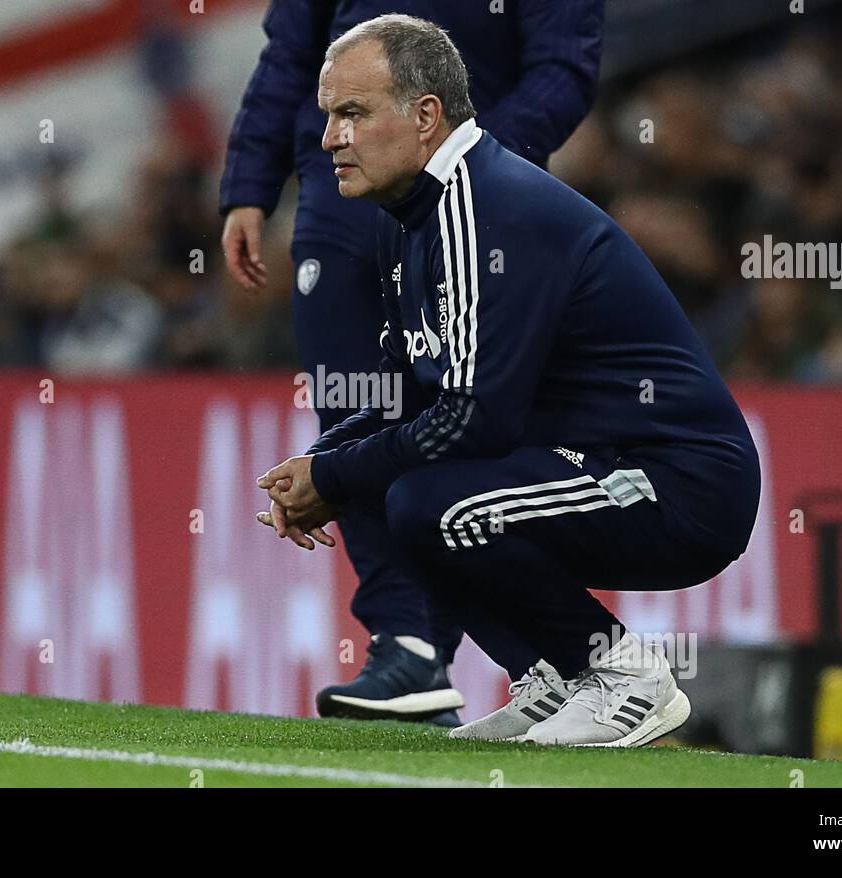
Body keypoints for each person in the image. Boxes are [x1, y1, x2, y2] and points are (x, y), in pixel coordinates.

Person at [256, 15, 760, 746]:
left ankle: (624, 677)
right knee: (412, 501)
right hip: (592, 461)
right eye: (329, 115)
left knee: (435, 505)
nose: (331, 136)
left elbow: (472, 420)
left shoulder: (482, 205)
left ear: (426, 114)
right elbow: (413, 388)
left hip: (676, 480)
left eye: (353, 113)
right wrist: (324, 463)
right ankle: (556, 679)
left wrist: (334, 475)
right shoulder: (410, 214)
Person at [221, 0, 603, 725]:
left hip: (481, 208)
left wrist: (470, 161)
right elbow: (290, 54)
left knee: (470, 416)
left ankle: (548, 661)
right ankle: (408, 646)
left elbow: (564, 68)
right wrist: (249, 179)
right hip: (342, 202)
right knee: (354, 410)